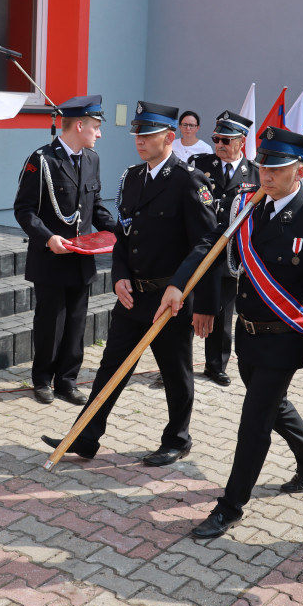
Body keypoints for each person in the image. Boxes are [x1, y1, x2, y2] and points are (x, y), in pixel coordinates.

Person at [158, 127, 303, 539]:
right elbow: (210, 242)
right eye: (263, 165)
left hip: (283, 339)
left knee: (254, 422)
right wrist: (179, 283)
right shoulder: (247, 206)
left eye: (277, 168)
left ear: (299, 170)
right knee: (269, 403)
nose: (266, 174)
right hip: (247, 333)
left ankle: (231, 505)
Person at [40, 101, 217, 467]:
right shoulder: (132, 177)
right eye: (137, 132)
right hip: (132, 294)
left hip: (169, 297)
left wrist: (184, 289)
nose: (139, 139)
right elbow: (122, 232)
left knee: (175, 371)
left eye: (148, 134)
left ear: (169, 137)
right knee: (110, 369)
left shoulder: (189, 180)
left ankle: (177, 439)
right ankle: (86, 436)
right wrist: (119, 274)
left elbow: (206, 242)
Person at [13, 95, 117, 405]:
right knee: (50, 323)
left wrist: (115, 230)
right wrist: (47, 238)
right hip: (51, 257)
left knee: (76, 323)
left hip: (81, 258)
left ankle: (67, 380)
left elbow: (95, 205)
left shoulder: (92, 159)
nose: (99, 134)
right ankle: (42, 379)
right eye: (96, 127)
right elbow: (24, 209)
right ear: (80, 124)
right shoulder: (42, 159)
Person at [188, 110, 260, 387]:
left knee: (223, 310)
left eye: (226, 140)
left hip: (231, 255)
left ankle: (215, 365)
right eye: (216, 138)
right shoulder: (199, 165)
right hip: (200, 248)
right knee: (188, 308)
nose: (219, 144)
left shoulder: (254, 174)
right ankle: (178, 361)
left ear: (241, 141)